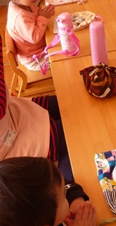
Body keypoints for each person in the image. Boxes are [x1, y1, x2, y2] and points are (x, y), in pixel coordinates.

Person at [0, 35, 73, 180]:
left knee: (69, 103)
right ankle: (68, 190)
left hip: (13, 114)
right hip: (10, 145)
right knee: (72, 134)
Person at [3, 0, 54, 71]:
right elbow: (34, 37)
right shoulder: (20, 17)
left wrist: (41, 14)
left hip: (41, 49)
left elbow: (35, 16)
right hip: (36, 60)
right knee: (67, 57)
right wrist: (43, 17)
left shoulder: (24, 3)